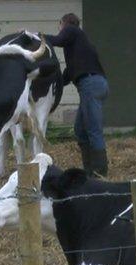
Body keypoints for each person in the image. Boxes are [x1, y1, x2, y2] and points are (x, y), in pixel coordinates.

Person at [45, 13, 109, 177]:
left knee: (93, 129)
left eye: (60, 26)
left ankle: (99, 172)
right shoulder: (78, 45)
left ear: (63, 23)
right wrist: (53, 84)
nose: (60, 30)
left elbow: (57, 40)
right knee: (80, 129)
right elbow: (68, 74)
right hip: (93, 85)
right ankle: (89, 170)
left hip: (90, 85)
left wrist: (36, 37)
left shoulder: (72, 31)